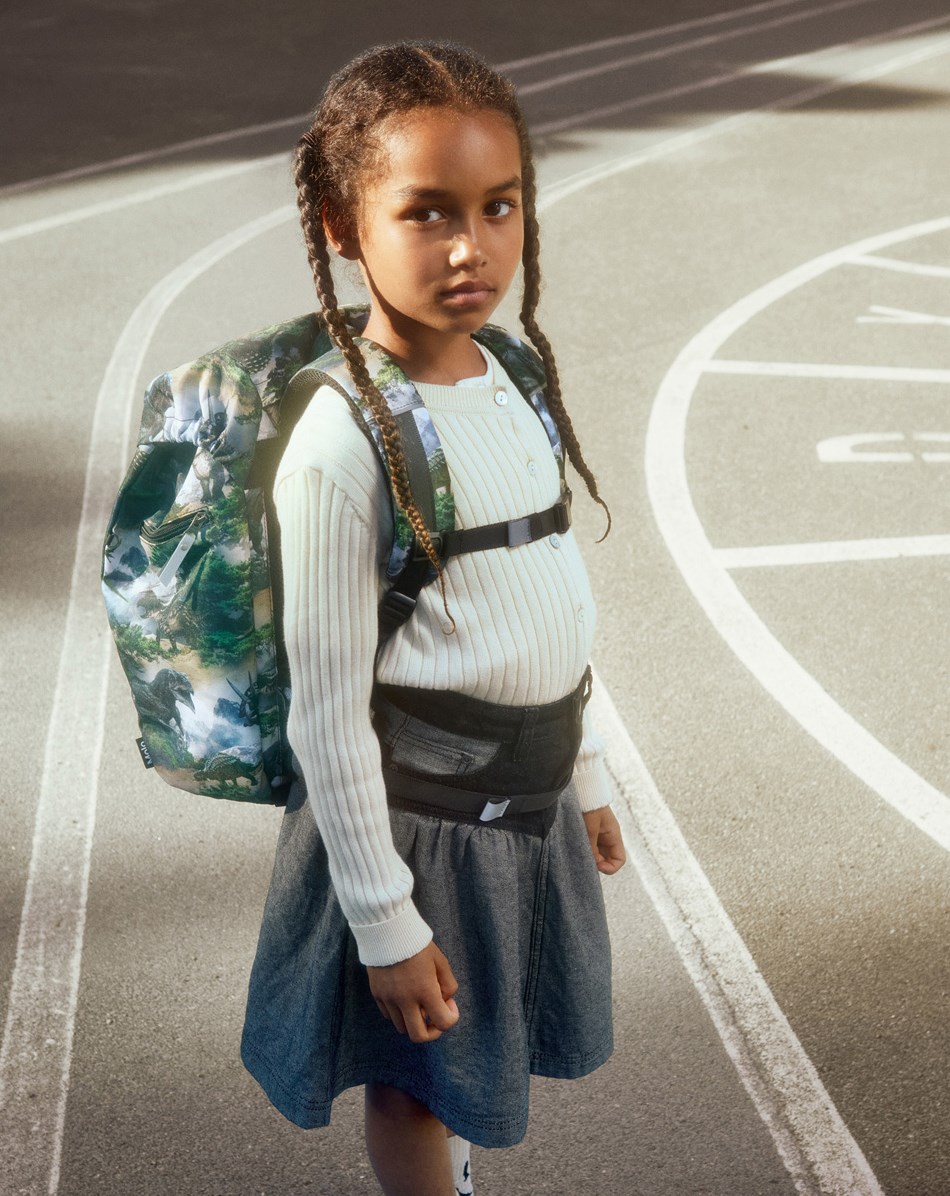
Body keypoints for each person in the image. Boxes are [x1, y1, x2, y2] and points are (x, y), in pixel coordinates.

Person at [240, 40, 627, 1196]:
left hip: (527, 797)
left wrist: (590, 768)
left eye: (498, 206)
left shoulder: (507, 369)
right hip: (420, 826)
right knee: (416, 1074)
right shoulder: (340, 443)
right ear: (338, 223)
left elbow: (549, 591)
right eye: (426, 212)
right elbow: (325, 713)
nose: (471, 247)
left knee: (473, 1047)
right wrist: (382, 920)